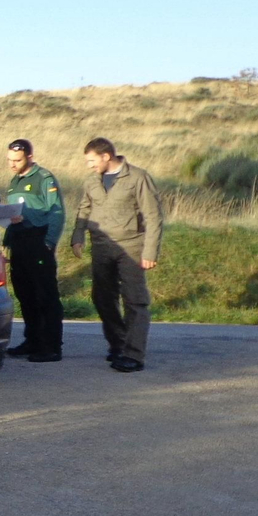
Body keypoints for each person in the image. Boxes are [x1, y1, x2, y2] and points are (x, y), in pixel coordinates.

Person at [71, 138, 163, 372]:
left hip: (131, 246)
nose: (90, 166)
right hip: (101, 245)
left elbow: (153, 216)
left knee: (135, 300)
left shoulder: (138, 177)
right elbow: (84, 208)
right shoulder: (92, 180)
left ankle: (134, 354)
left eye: (92, 161)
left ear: (106, 156)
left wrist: (150, 251)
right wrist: (78, 235)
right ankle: (118, 343)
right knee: (102, 297)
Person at [3, 139, 66, 362]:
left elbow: (56, 212)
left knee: (45, 295)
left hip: (38, 241)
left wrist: (49, 241)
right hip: (19, 242)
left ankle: (51, 346)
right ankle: (33, 340)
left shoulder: (43, 178)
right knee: (25, 294)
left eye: (17, 160)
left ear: (29, 157)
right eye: (9, 160)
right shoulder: (14, 181)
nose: (12, 164)